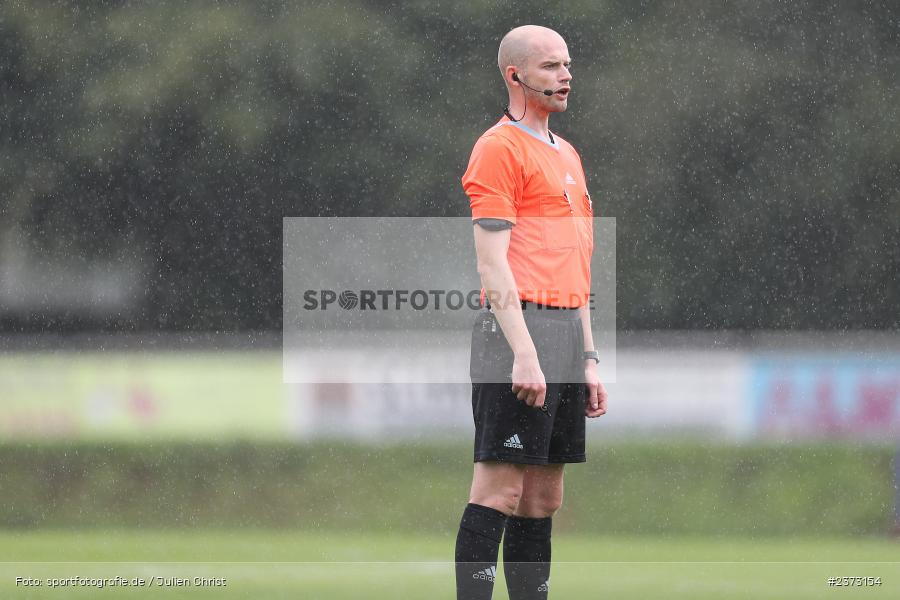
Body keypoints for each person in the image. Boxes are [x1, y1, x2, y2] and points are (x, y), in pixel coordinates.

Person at [454, 25, 609, 600]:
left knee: (544, 498)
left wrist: (588, 354)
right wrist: (523, 351)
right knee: (499, 490)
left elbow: (579, 265)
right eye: (550, 66)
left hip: (566, 331)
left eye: (567, 64)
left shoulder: (567, 153)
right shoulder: (499, 148)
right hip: (518, 331)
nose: (566, 75)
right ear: (515, 75)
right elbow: (493, 266)